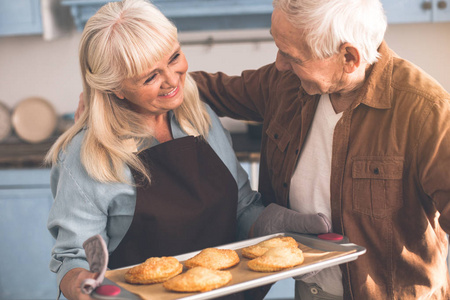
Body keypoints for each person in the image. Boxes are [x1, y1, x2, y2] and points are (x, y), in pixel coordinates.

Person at [46, 0, 330, 299]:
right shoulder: (86, 155)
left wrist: (276, 226)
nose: (172, 80)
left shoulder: (201, 118)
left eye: (175, 57)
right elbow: (72, 257)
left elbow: (241, 208)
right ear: (115, 87)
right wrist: (81, 284)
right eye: (150, 76)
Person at [189, 0, 450, 299]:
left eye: (292, 56)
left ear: (349, 57)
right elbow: (211, 90)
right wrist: (155, 76)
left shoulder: (427, 112)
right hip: (309, 290)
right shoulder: (285, 83)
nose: (279, 63)